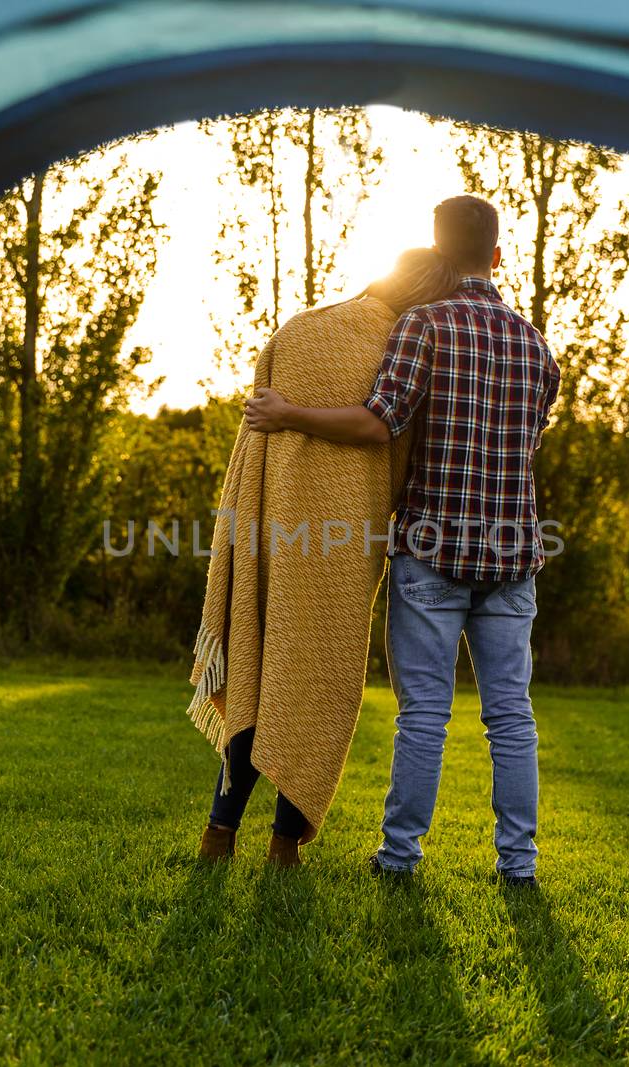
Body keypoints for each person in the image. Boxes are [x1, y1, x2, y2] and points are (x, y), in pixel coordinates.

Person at [245, 195, 560, 886]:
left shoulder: (423, 324)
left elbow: (378, 423)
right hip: (511, 559)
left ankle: (399, 855)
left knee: (424, 713)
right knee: (511, 715)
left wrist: (288, 411)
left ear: (441, 255)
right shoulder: (536, 344)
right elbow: (527, 445)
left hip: (431, 553)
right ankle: (519, 864)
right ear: (498, 255)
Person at [186, 248, 461, 867]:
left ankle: (218, 834)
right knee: (317, 685)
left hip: (268, 528)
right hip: (343, 543)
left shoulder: (300, 330)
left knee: (256, 668)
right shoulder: (405, 351)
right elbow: (398, 448)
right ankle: (284, 844)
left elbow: (253, 439)